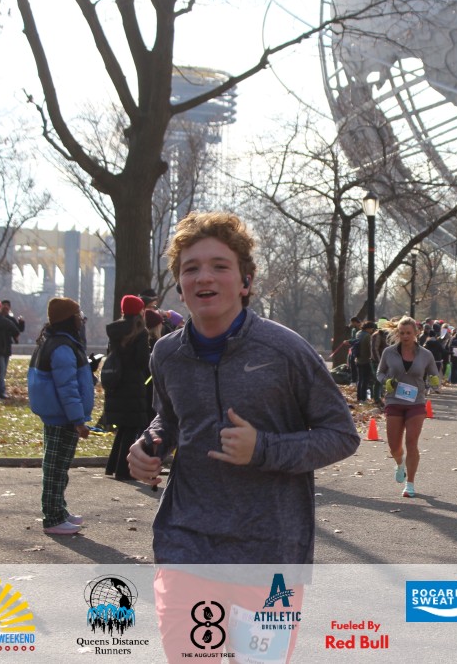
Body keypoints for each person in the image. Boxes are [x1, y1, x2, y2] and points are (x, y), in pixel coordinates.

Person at [127, 211, 360, 660]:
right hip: (187, 544)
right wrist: (150, 445)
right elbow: (168, 419)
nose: (204, 277)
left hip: (269, 552)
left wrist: (264, 448)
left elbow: (341, 434)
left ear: (245, 281)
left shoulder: (286, 350)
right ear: (180, 286)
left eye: (219, 265)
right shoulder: (167, 354)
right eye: (191, 268)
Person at [26, 297, 93, 535]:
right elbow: (67, 388)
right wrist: (78, 421)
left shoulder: (54, 341)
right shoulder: (62, 346)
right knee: (56, 469)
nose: (82, 319)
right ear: (69, 319)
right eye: (79, 315)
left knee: (58, 467)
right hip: (63, 416)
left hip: (58, 414)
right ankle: (53, 517)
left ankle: (59, 510)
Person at [377, 316, 441, 498]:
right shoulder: (389, 352)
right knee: (394, 447)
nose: (405, 336)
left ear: (416, 333)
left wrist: (434, 382)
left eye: (408, 333)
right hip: (394, 401)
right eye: (402, 333)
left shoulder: (426, 355)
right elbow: (380, 372)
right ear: (398, 333)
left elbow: (435, 376)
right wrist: (385, 381)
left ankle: (410, 484)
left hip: (416, 402)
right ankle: (400, 464)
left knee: (411, 443)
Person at [103, 295, 153, 481]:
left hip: (117, 382)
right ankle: (123, 470)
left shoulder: (114, 330)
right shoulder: (140, 331)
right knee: (131, 427)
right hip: (133, 384)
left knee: (123, 428)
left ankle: (112, 465)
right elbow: (142, 360)